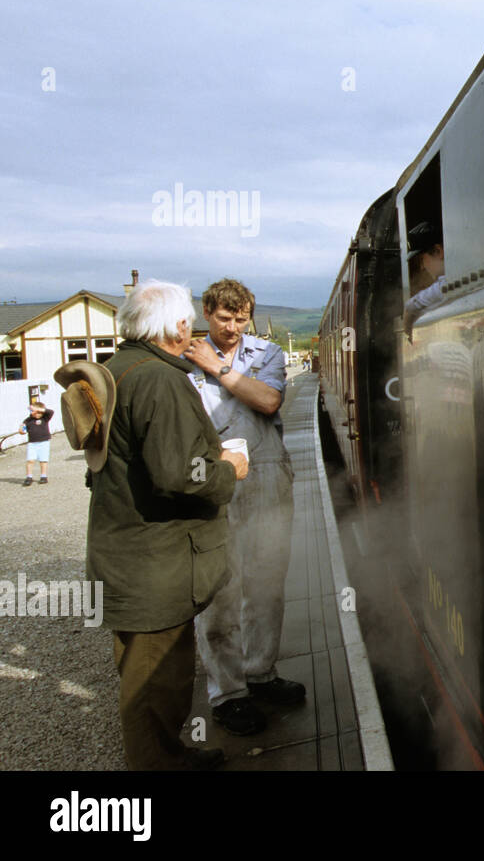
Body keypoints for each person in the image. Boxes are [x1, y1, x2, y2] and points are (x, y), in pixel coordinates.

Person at [85, 279, 248, 770]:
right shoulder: (158, 379)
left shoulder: (118, 369)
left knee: (147, 680)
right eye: (189, 323)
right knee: (155, 685)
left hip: (127, 555)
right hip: (155, 565)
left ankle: (167, 756)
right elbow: (179, 474)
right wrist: (227, 469)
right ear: (179, 326)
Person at [184, 278, 302, 736]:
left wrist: (218, 369)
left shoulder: (265, 354)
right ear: (207, 313)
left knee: (268, 584)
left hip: (268, 475)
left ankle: (261, 672)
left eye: (241, 318)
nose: (233, 327)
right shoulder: (182, 360)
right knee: (219, 592)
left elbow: (269, 400)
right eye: (223, 318)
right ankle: (228, 693)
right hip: (214, 481)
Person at [402, 220, 446, 337]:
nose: (422, 267)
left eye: (422, 259)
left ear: (438, 251)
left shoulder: (447, 283)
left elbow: (443, 287)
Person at [20, 401, 55, 485]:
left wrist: (39, 409)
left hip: (44, 442)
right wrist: (21, 431)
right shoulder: (28, 420)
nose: (36, 414)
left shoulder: (45, 418)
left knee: (43, 460)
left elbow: (51, 412)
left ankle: (43, 476)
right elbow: (23, 429)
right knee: (30, 460)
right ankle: (29, 477)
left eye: (39, 412)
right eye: (34, 412)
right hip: (32, 443)